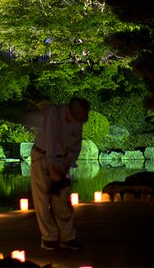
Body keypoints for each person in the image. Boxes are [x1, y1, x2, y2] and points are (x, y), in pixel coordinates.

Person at [30, 96, 90, 251]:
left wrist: (66, 165)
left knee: (62, 200)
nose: (77, 123)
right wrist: (52, 167)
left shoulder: (77, 122)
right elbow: (51, 139)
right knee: (42, 199)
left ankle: (68, 237)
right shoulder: (53, 113)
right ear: (69, 110)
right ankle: (48, 237)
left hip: (62, 159)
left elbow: (76, 144)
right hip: (42, 155)